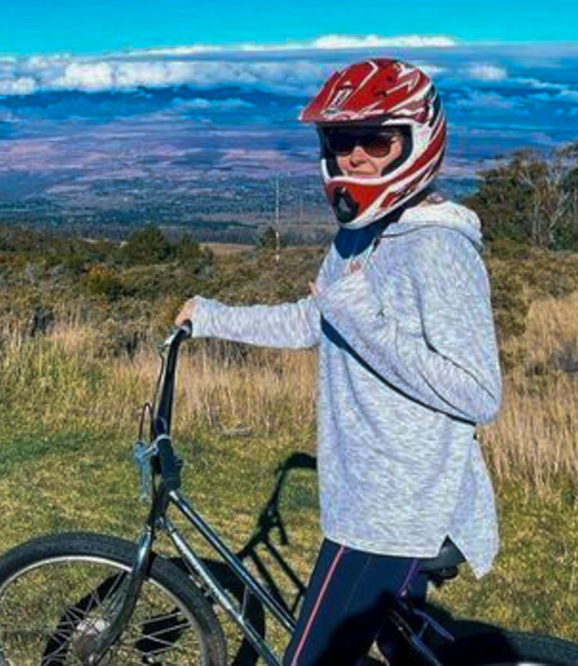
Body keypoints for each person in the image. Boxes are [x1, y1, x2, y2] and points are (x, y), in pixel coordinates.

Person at [177, 57, 502, 666]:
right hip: (367, 490)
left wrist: (363, 320)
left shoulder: (436, 247)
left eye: (374, 141)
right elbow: (317, 322)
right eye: (340, 140)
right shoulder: (362, 233)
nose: (353, 157)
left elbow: (478, 392)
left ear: (415, 141)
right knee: (394, 645)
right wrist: (213, 317)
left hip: (395, 507)